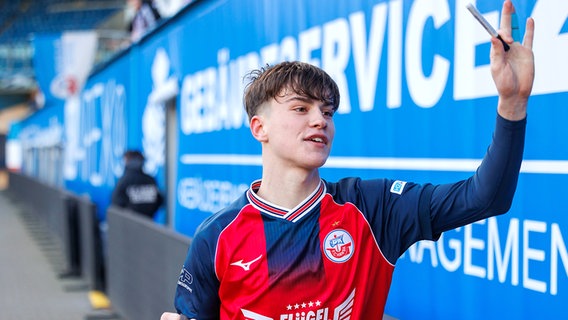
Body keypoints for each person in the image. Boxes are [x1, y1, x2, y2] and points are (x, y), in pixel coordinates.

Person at [162, 1, 534, 318]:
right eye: (300, 108)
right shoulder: (216, 237)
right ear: (259, 128)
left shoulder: (372, 208)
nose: (319, 120)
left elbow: (487, 197)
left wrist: (513, 104)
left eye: (327, 111)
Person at [112, 150, 163, 219]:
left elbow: (116, 203)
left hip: (128, 224)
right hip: (148, 223)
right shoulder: (150, 179)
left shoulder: (124, 180)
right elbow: (159, 200)